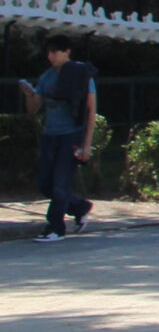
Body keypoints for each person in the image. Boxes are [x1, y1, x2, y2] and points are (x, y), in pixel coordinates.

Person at [17, 38, 98, 240]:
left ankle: (55, 228)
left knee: (60, 183)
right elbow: (34, 108)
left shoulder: (81, 74)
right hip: (49, 134)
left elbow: (91, 110)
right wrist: (29, 94)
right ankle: (80, 207)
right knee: (45, 183)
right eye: (49, 52)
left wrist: (86, 144)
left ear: (67, 51)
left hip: (70, 134)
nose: (51, 56)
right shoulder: (47, 76)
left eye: (56, 52)